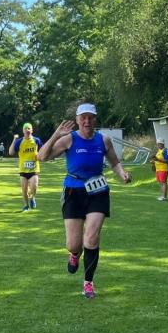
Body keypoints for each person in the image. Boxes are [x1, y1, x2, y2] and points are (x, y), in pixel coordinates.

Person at [37, 103, 132, 299]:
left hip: (98, 191)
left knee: (92, 237)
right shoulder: (69, 139)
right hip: (74, 191)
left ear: (95, 119)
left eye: (90, 117)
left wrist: (122, 173)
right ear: (78, 120)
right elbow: (42, 157)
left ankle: (88, 282)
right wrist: (56, 135)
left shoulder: (103, 140)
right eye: (83, 117)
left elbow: (115, 162)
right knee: (74, 244)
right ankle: (74, 254)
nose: (87, 121)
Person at [9, 122, 43, 211]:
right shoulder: (19, 141)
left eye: (29, 128)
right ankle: (26, 206)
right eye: (25, 128)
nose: (27, 130)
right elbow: (11, 152)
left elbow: (43, 150)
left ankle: (32, 197)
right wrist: (14, 139)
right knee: (24, 190)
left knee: (34, 187)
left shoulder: (36, 140)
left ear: (32, 130)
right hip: (23, 169)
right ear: (23, 131)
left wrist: (40, 155)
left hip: (34, 168)